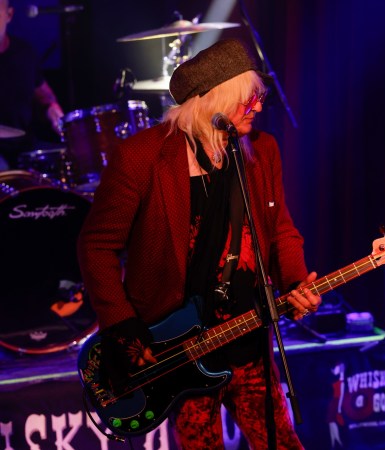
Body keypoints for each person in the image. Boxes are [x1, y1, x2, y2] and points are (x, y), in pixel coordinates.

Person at [77, 38, 321, 449]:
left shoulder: (262, 150)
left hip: (248, 335)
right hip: (179, 348)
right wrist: (122, 325)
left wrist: (295, 283)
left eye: (260, 99)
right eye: (249, 99)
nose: (258, 108)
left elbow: (279, 228)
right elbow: (96, 246)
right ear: (217, 99)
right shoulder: (141, 157)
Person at [0, 0, 64, 169]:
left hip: (25, 146)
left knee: (67, 158)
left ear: (9, 15)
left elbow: (44, 95)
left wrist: (52, 109)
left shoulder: (24, 53)